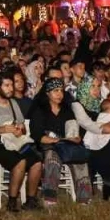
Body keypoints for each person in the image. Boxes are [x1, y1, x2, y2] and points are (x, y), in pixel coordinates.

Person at [0, 72, 44, 212]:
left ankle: (31, 201)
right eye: (6, 85)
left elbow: (23, 128)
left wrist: (20, 129)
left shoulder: (13, 103)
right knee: (20, 161)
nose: (10, 89)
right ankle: (12, 202)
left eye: (11, 85)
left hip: (14, 142)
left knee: (37, 162)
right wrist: (1, 129)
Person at [27, 77, 93, 206]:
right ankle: (49, 197)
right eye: (55, 91)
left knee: (80, 158)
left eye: (61, 91)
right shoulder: (39, 110)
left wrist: (76, 137)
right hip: (46, 146)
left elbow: (73, 129)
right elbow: (38, 136)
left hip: (66, 145)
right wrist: (59, 140)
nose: (59, 94)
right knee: (52, 157)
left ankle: (84, 198)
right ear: (47, 93)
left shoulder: (66, 110)